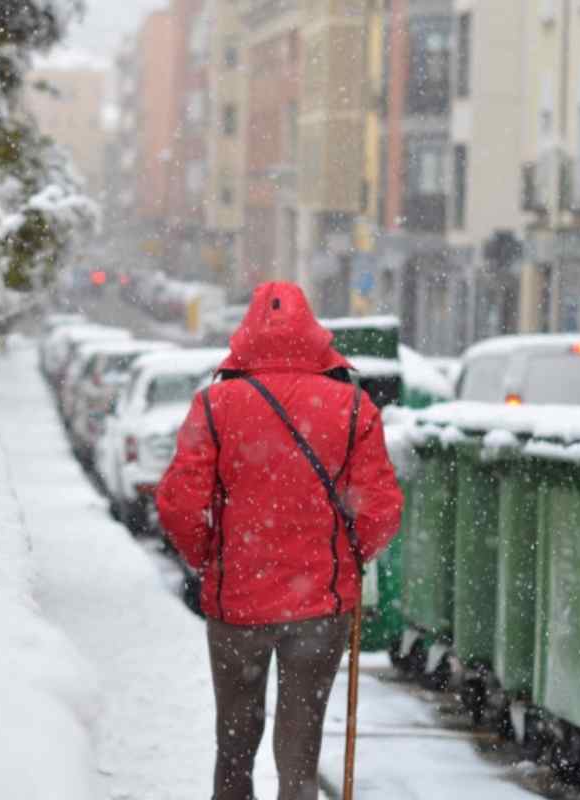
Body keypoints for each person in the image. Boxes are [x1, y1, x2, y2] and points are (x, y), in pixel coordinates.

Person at [156, 282, 403, 800]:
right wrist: (347, 559)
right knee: (300, 754)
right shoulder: (353, 408)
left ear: (246, 336)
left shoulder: (214, 405)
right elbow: (379, 509)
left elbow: (180, 502)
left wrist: (210, 557)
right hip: (320, 604)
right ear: (314, 335)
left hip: (237, 604)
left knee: (235, 745)